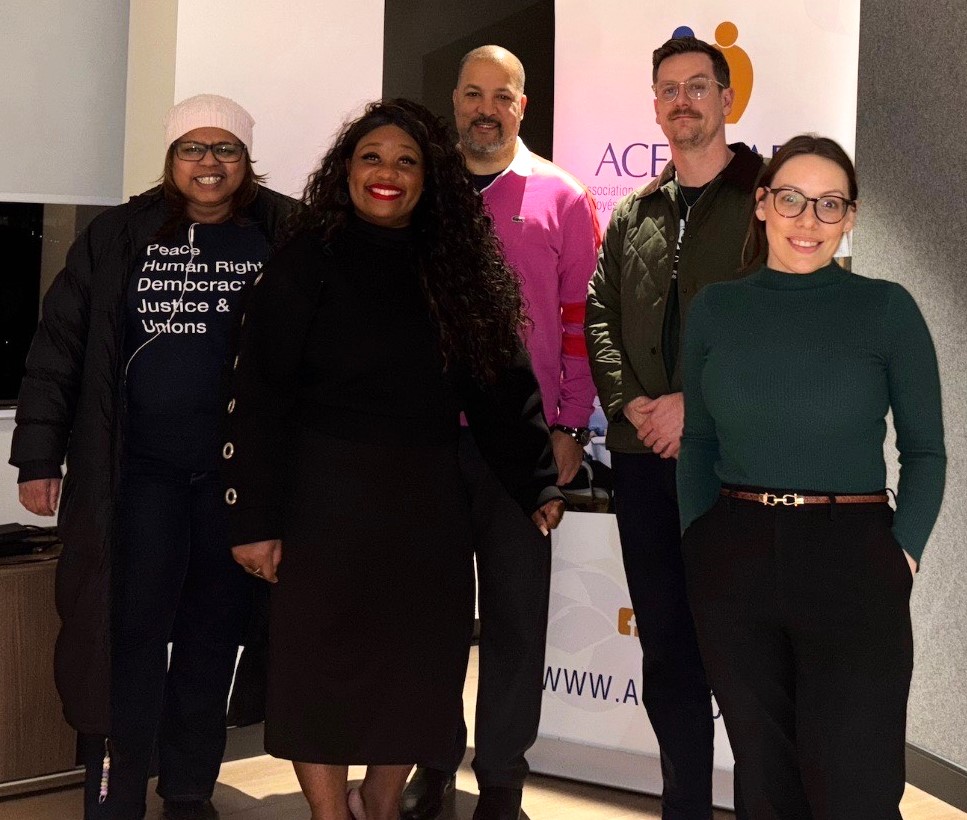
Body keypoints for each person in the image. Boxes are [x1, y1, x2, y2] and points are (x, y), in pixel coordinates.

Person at [223, 98, 565, 820]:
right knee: (318, 670)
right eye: (371, 157)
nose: (387, 173)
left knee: (416, 674)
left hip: (424, 503)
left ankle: (378, 808)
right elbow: (260, 395)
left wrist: (536, 480)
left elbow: (502, 387)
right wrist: (255, 516)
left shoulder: (456, 271)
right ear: (345, 170)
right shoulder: (302, 261)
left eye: (406, 161)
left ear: (428, 179)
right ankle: (326, 814)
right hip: (322, 497)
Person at [8, 94, 296, 820]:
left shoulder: (286, 232)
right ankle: (117, 788)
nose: (209, 163)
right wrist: (38, 456)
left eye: (225, 149)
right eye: (192, 149)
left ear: (246, 160)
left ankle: (191, 789)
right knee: (124, 636)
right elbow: (59, 349)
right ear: (170, 160)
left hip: (234, 486)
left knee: (211, 635)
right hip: (134, 479)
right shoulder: (116, 235)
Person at [678, 134, 945, 819]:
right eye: (791, 199)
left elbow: (924, 452)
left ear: (850, 218)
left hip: (852, 552)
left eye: (830, 205)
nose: (808, 220)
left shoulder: (886, 309)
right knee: (764, 776)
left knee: (853, 777)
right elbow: (699, 439)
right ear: (762, 205)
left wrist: (902, 554)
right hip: (734, 550)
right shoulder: (713, 310)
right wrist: (699, 539)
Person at [400, 45, 600, 820]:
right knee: (432, 616)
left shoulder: (561, 195)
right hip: (424, 442)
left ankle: (504, 784)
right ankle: (431, 763)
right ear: (454, 100)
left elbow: (583, 321)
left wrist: (568, 426)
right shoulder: (422, 192)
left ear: (523, 106)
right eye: (473, 94)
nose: (485, 108)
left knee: (517, 620)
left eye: (502, 96)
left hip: (520, 444)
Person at [585, 36, 764, 818]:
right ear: (654, 104)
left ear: (727, 99)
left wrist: (694, 405)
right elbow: (597, 315)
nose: (682, 100)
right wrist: (631, 405)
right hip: (642, 460)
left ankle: (767, 799)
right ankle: (682, 804)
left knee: (748, 649)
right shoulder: (633, 212)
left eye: (698, 86)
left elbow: (775, 320)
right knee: (666, 645)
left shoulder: (766, 201)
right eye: (668, 89)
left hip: (737, 463)